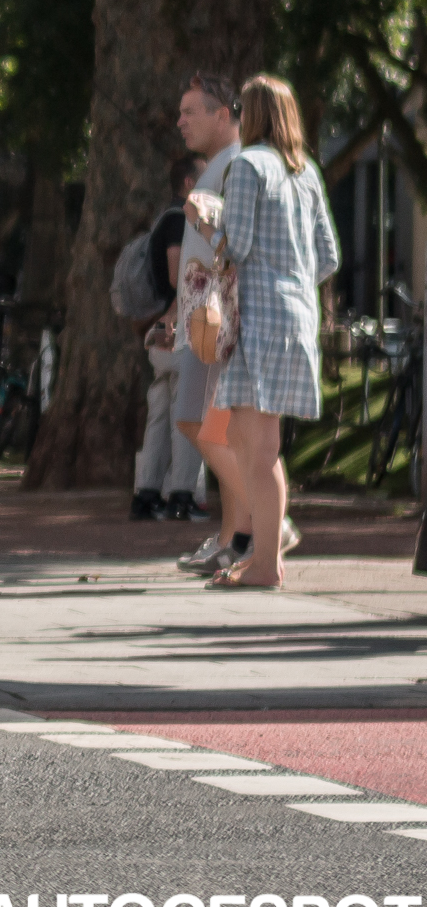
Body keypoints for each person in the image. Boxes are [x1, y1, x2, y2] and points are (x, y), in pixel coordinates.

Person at [200, 76, 339, 590]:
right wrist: (293, 278)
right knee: (250, 439)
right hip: (297, 316)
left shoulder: (248, 166)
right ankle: (267, 551)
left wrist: (204, 221)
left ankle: (265, 564)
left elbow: (237, 243)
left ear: (251, 114)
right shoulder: (307, 173)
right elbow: (329, 255)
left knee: (253, 446)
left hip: (258, 317)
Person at [168, 73, 268, 576]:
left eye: (191, 112)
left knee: (203, 425)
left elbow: (233, 243)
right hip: (202, 319)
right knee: (213, 429)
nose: (180, 121)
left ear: (222, 115)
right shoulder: (221, 168)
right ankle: (236, 536)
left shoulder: (237, 167)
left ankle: (264, 524)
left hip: (217, 322)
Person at [134, 155, 209, 521]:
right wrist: (176, 314)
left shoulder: (165, 218)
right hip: (177, 330)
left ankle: (146, 493)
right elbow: (179, 273)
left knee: (160, 412)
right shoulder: (181, 221)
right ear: (190, 184)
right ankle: (181, 493)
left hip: (161, 331)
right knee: (188, 412)